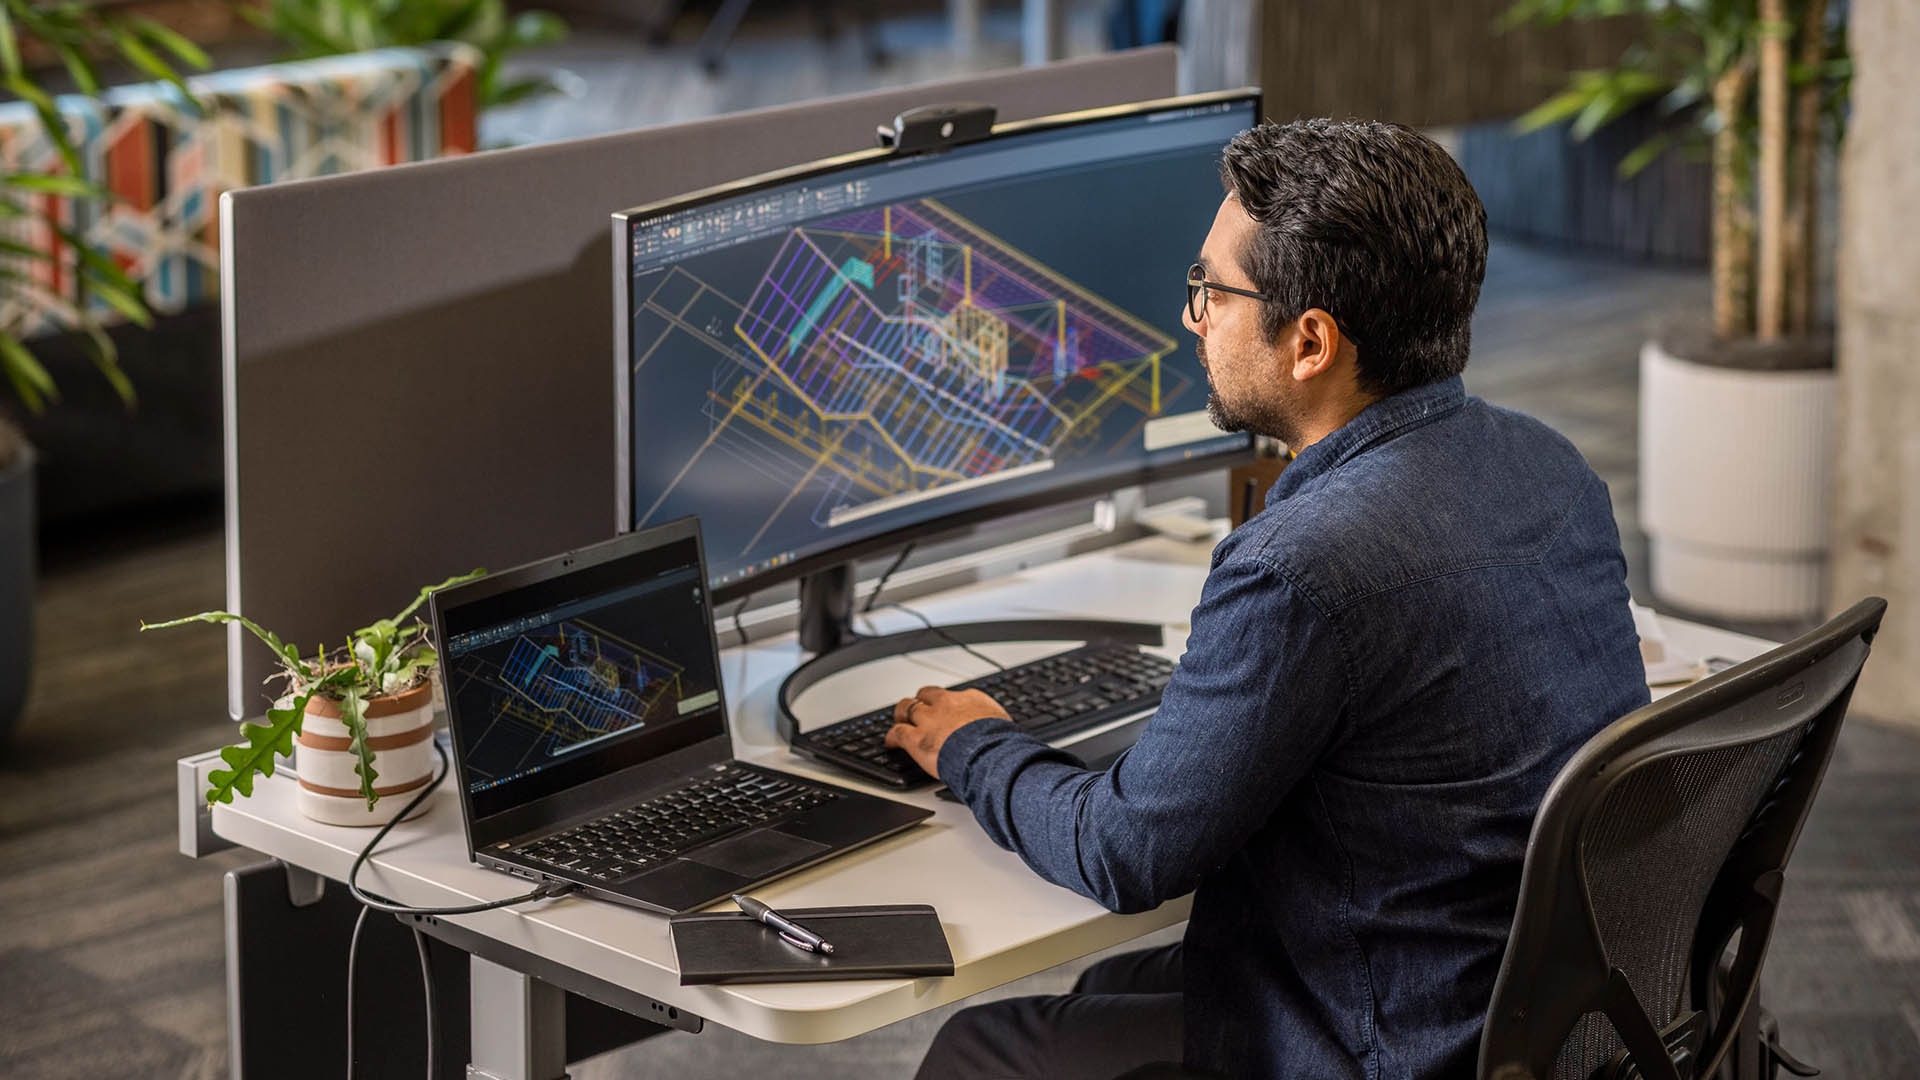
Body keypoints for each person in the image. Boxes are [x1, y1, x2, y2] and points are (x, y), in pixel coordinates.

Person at [885, 119, 1652, 1079]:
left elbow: (1127, 852)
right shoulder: (1551, 464)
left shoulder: (1303, 567)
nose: (1193, 318)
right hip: (1537, 1009)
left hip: (1393, 1035)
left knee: (980, 1050)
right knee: (1110, 988)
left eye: (1212, 290)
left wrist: (974, 744)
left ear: (1310, 343)